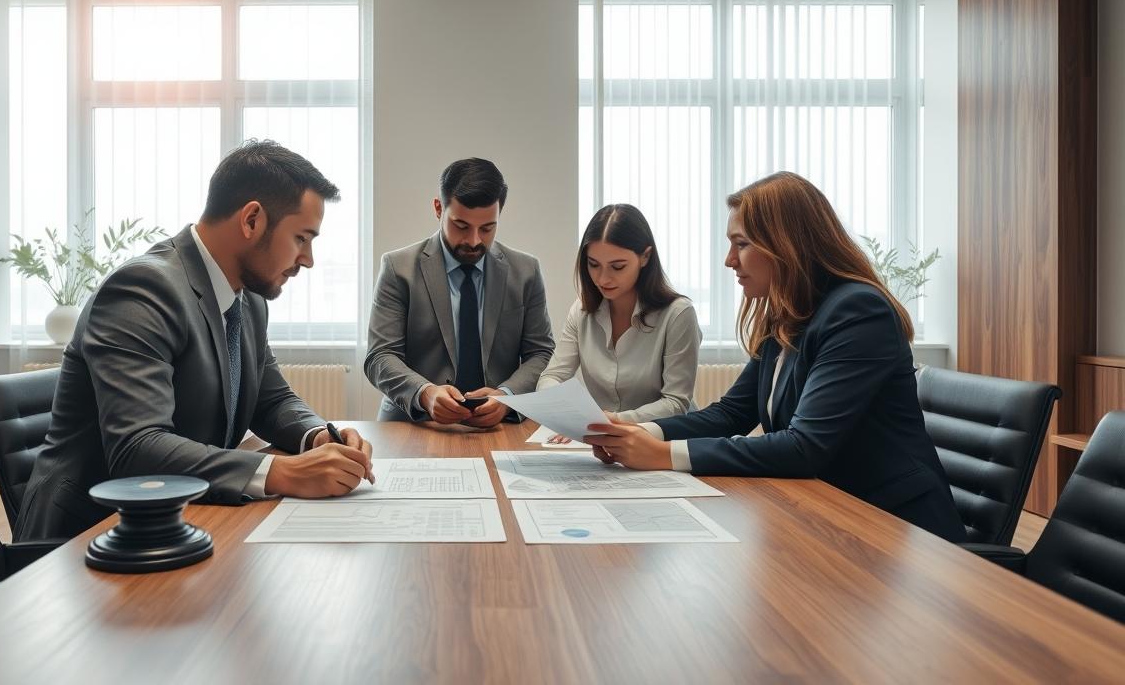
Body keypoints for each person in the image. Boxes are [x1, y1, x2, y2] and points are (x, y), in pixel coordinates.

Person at [15, 140, 375, 541]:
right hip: (88, 538)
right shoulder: (143, 290)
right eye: (301, 238)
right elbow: (138, 448)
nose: (308, 259)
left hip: (184, 518)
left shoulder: (249, 298)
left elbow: (271, 399)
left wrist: (319, 435)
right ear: (252, 220)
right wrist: (282, 472)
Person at [583, 172, 964, 541]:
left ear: (788, 244)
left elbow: (803, 447)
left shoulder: (858, 311)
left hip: (899, 530)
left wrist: (665, 454)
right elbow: (732, 413)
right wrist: (637, 433)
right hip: (829, 513)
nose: (729, 260)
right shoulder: (788, 314)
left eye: (741, 244)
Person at [365, 157, 554, 428]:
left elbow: (542, 353)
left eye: (487, 228)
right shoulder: (398, 268)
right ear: (438, 208)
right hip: (413, 424)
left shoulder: (526, 271)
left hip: (500, 427)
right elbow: (380, 356)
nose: (474, 240)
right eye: (461, 226)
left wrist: (507, 396)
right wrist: (424, 394)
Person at [538, 204, 701, 442]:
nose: (603, 279)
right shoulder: (582, 311)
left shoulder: (678, 314)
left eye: (617, 267)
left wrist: (613, 421)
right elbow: (552, 376)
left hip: (664, 441)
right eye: (593, 264)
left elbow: (676, 403)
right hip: (604, 442)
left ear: (645, 257)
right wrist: (567, 416)